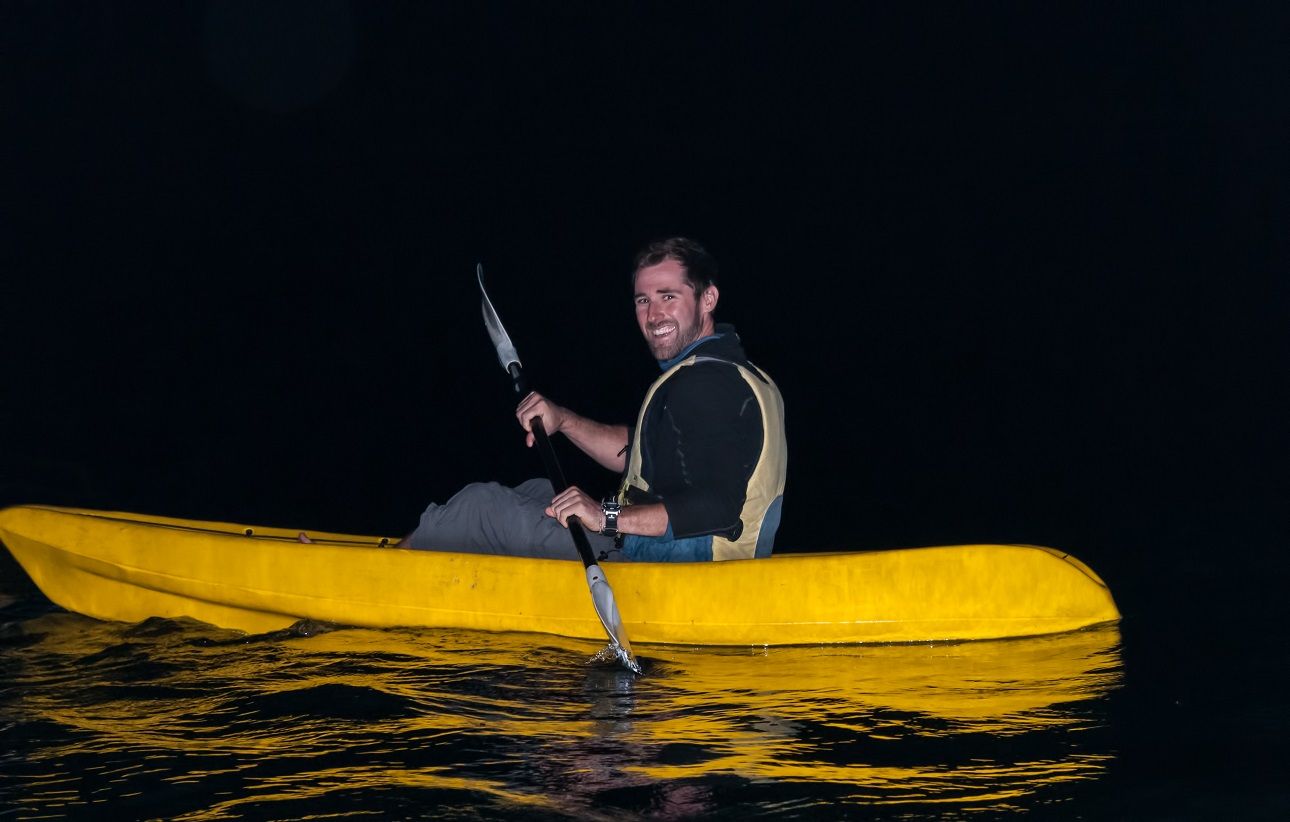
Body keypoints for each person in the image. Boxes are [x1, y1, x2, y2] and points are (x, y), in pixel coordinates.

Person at [403, 237, 787, 562]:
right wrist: (563, 419)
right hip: (684, 551)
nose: (653, 315)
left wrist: (604, 515)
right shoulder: (730, 371)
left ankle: (374, 575)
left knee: (479, 508)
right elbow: (637, 450)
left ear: (708, 299)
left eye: (668, 296)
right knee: (541, 490)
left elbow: (717, 508)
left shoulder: (707, 385)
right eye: (642, 300)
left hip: (684, 568)